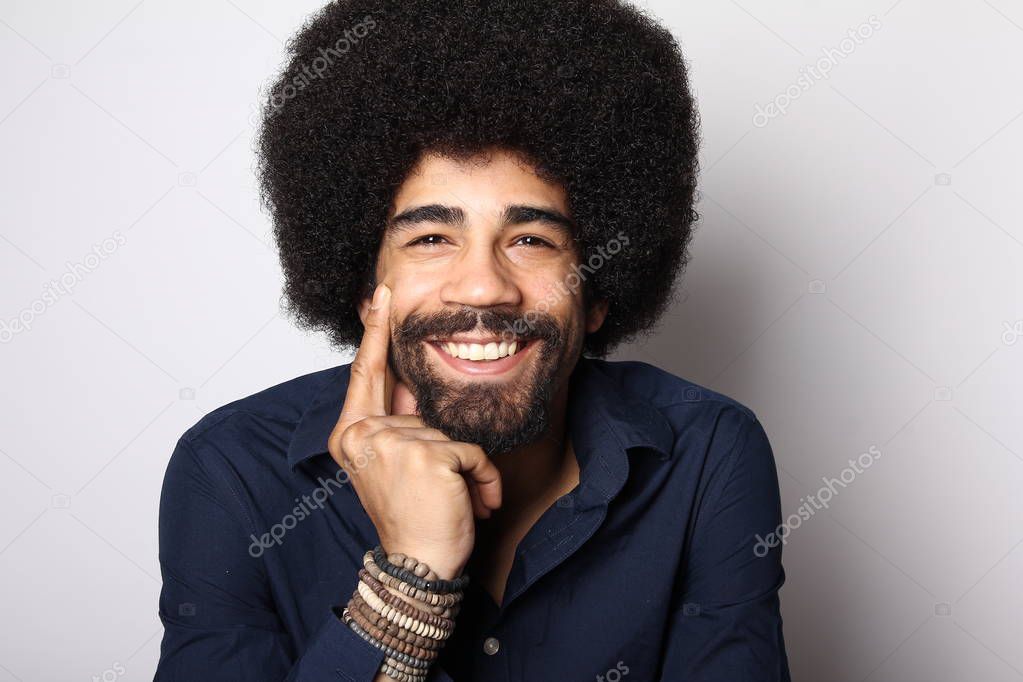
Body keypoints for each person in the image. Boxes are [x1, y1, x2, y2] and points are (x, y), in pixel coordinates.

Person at [154, 0, 791, 679]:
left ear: (599, 291)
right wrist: (409, 577)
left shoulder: (705, 455)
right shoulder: (235, 471)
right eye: (431, 238)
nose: (483, 287)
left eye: (531, 240)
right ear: (364, 286)